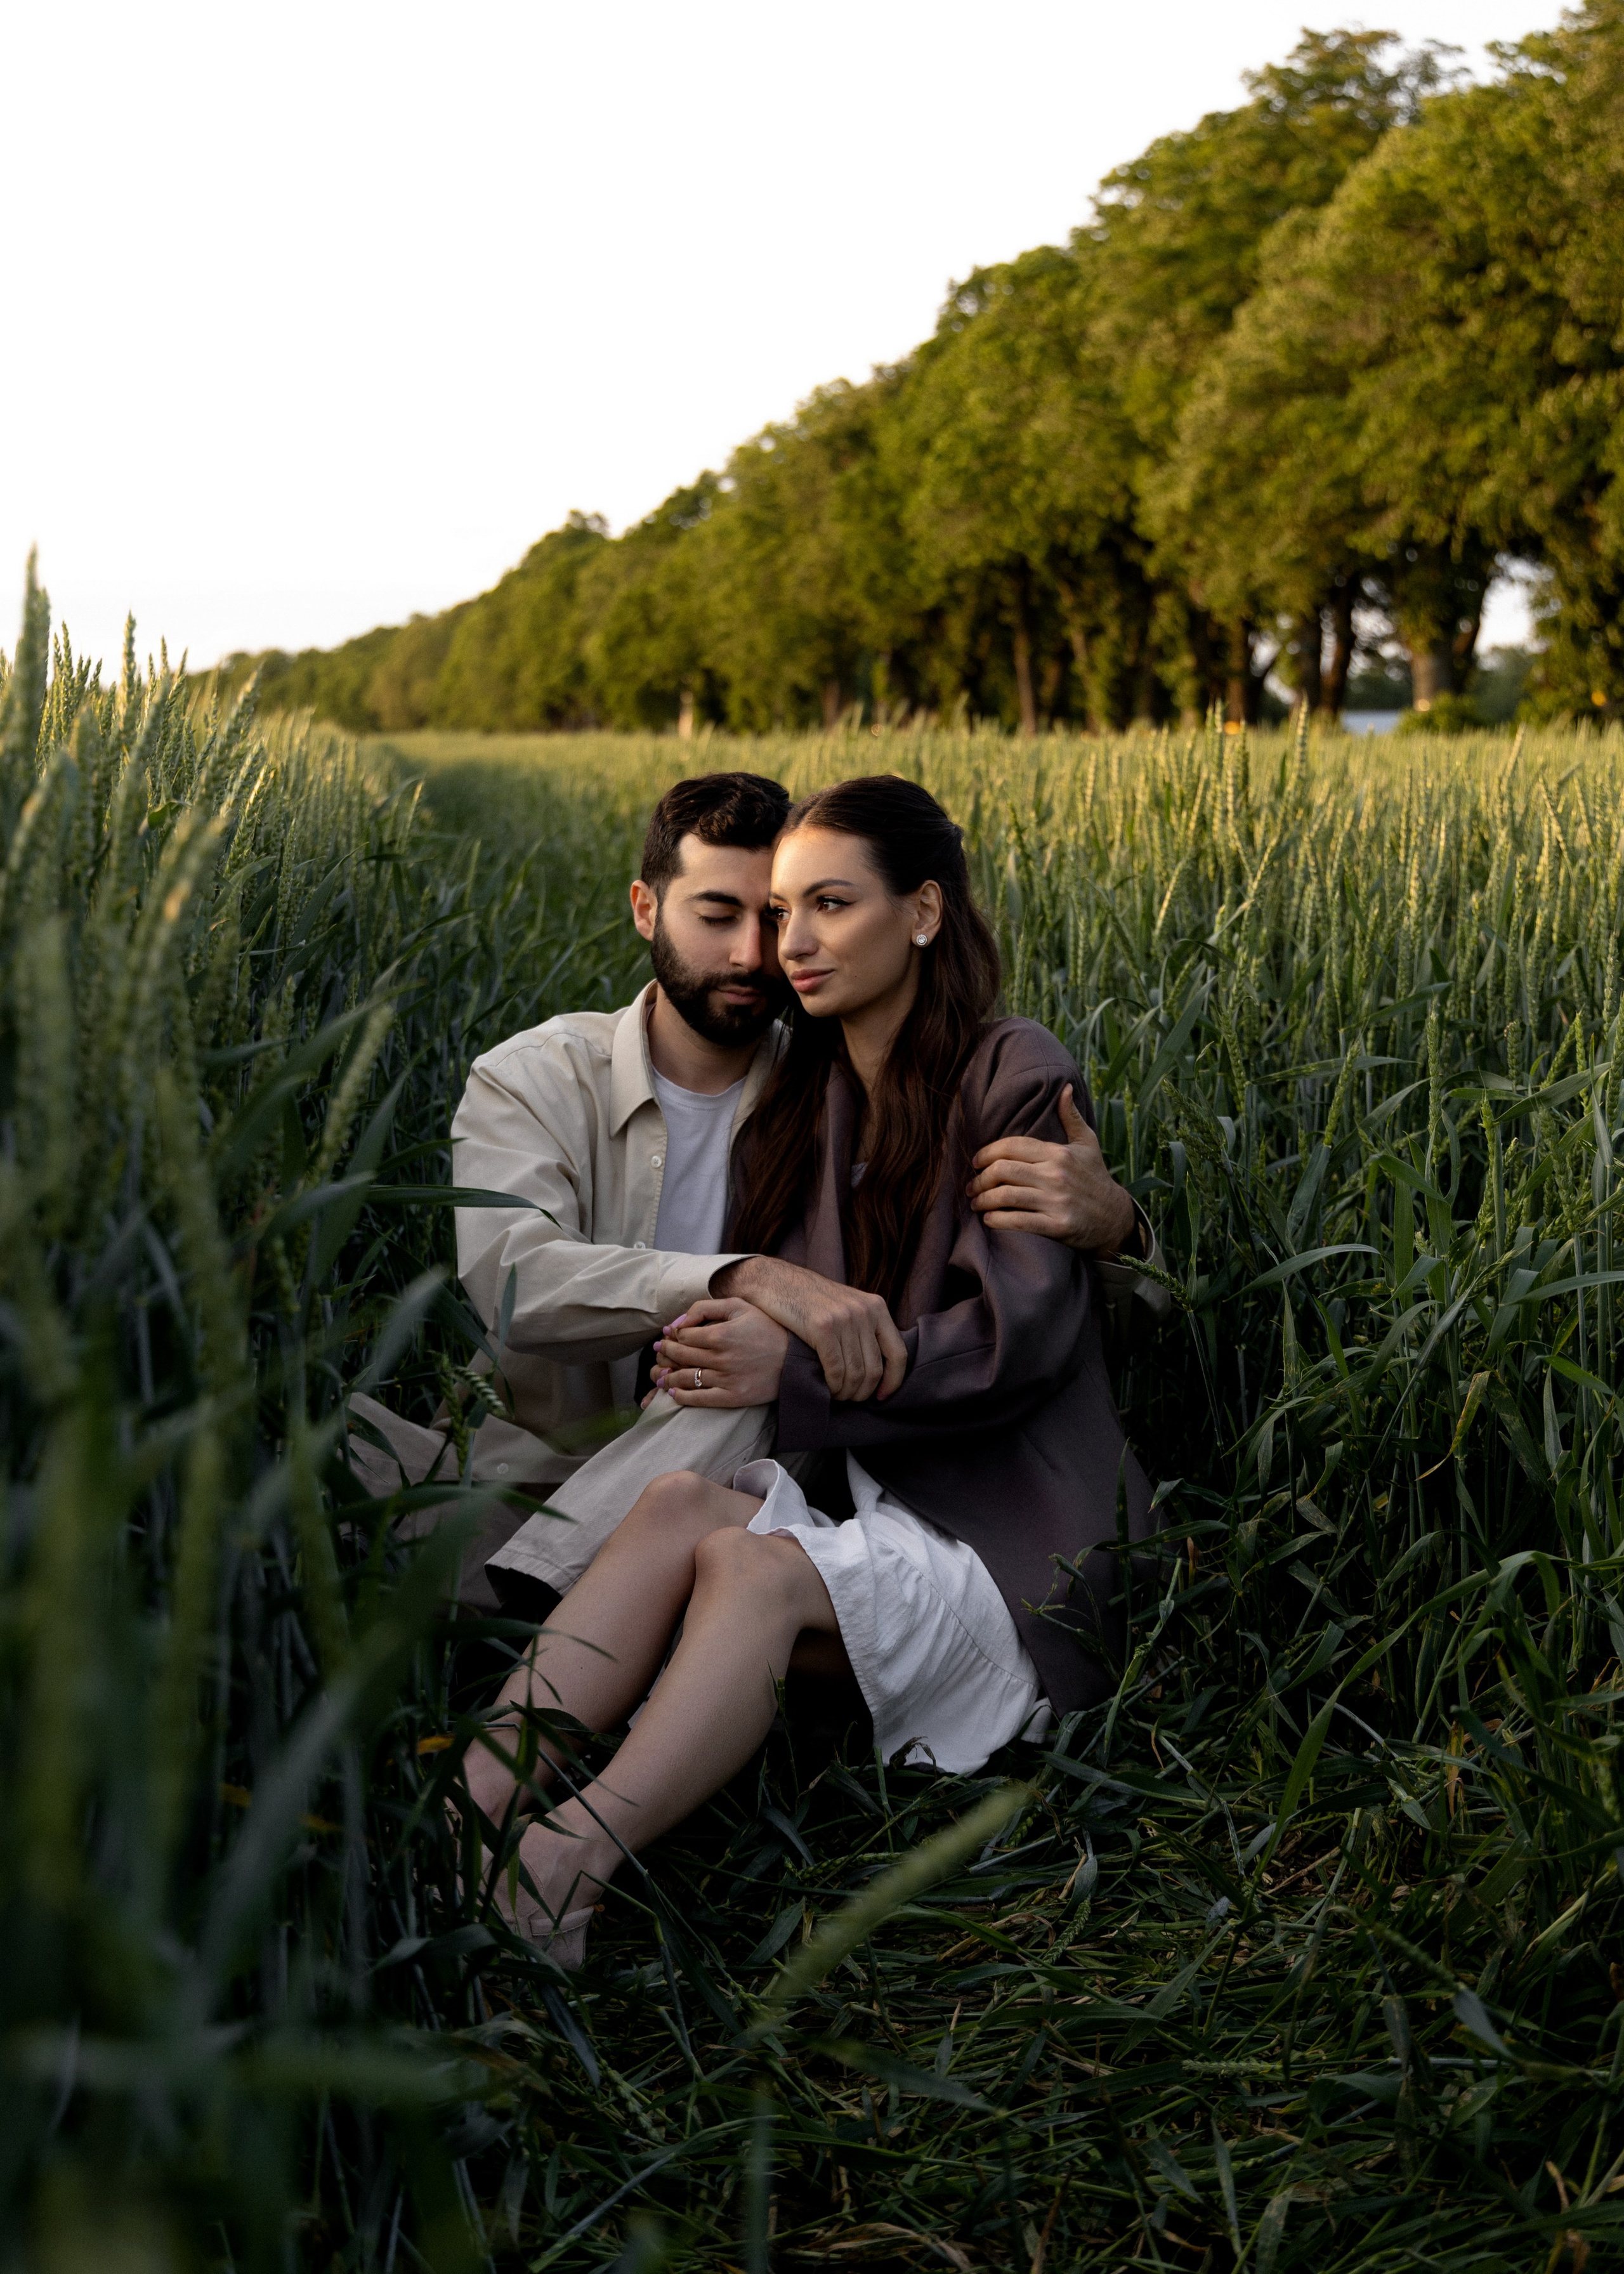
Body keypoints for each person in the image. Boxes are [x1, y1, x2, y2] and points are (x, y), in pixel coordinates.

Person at [462, 775, 1157, 1968]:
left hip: (1009, 1537)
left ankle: (561, 1869)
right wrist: (743, 1333)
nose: (789, 944)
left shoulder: (1009, 1069)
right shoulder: (812, 1093)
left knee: (750, 1563)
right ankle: (466, 1807)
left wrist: (790, 1370)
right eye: (783, 912)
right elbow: (533, 1279)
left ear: (925, 912)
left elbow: (1018, 1341)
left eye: (827, 905)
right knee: (684, 1505)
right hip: (870, 1495)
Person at [348, 772, 1166, 1612]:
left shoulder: (838, 1089)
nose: (754, 954)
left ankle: (540, 1614)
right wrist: (745, 1276)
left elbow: (1040, 1321)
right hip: (539, 1476)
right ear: (644, 908)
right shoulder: (536, 1080)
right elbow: (515, 1285)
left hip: (758, 1473)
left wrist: (1118, 1233)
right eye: (717, 916)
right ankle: (556, 1599)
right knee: (292, 1445)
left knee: (750, 1365)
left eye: (771, 916)